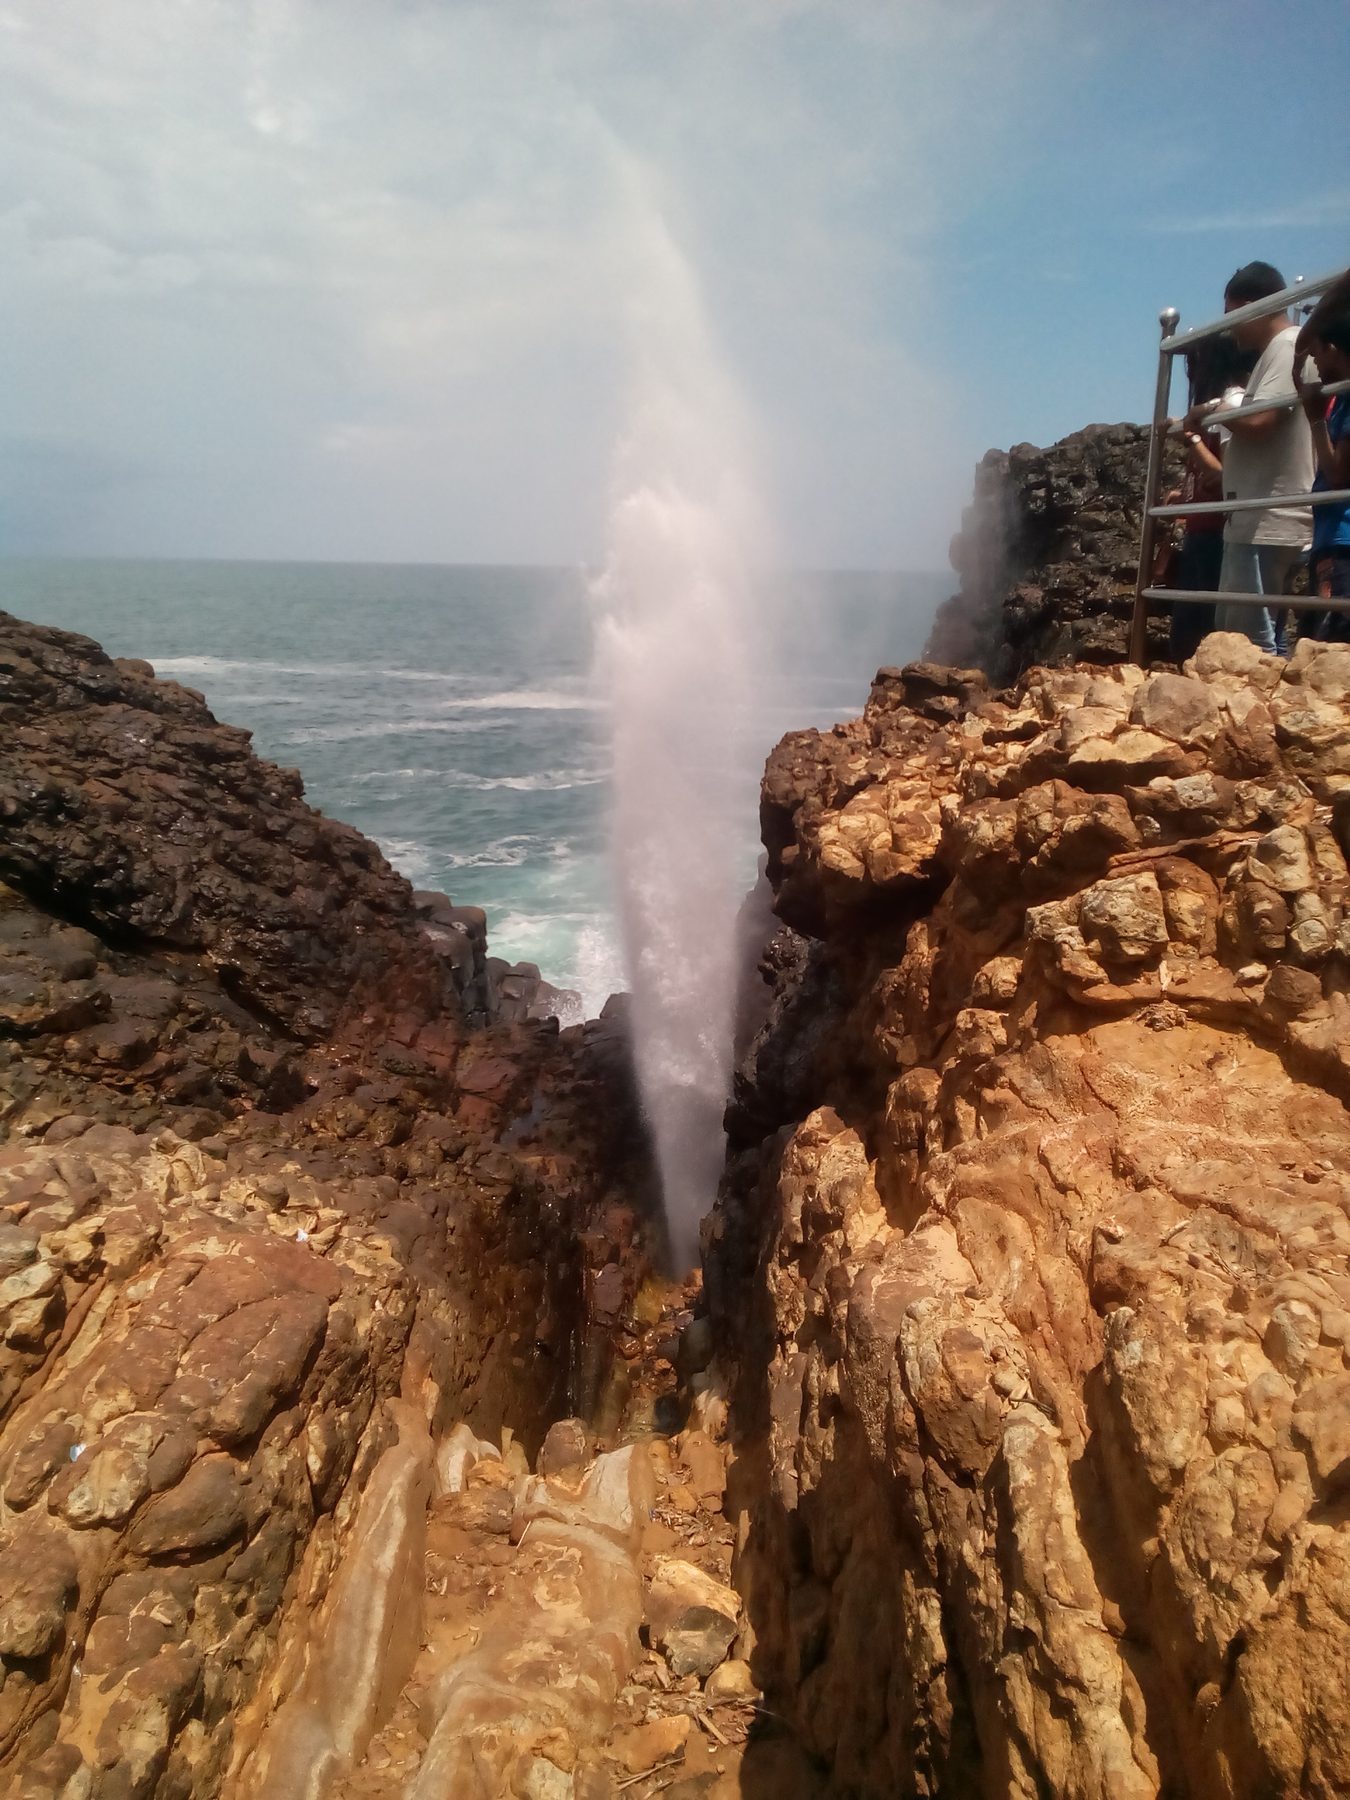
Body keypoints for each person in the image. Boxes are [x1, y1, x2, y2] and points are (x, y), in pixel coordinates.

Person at [1187, 261, 1314, 655]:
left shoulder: (1286, 346)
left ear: (1252, 306)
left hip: (1266, 517)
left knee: (1247, 645)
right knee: (1258, 637)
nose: (1230, 328)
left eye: (1233, 315)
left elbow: (1260, 419)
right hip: (1261, 515)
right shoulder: (1280, 350)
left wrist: (1222, 404)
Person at [1166, 332, 1255, 663]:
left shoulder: (1229, 410)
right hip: (1200, 528)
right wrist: (1183, 495)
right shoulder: (1214, 412)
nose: (1192, 374)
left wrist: (1190, 438)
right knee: (1190, 630)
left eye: (1195, 365)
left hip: (1212, 533)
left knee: (1194, 634)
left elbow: (1222, 476)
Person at [1294, 297, 1350, 640]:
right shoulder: (1341, 397)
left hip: (1342, 540)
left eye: (1317, 354)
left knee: (1334, 641)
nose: (1314, 362)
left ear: (1333, 348)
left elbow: (1340, 474)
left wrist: (1316, 419)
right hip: (1331, 538)